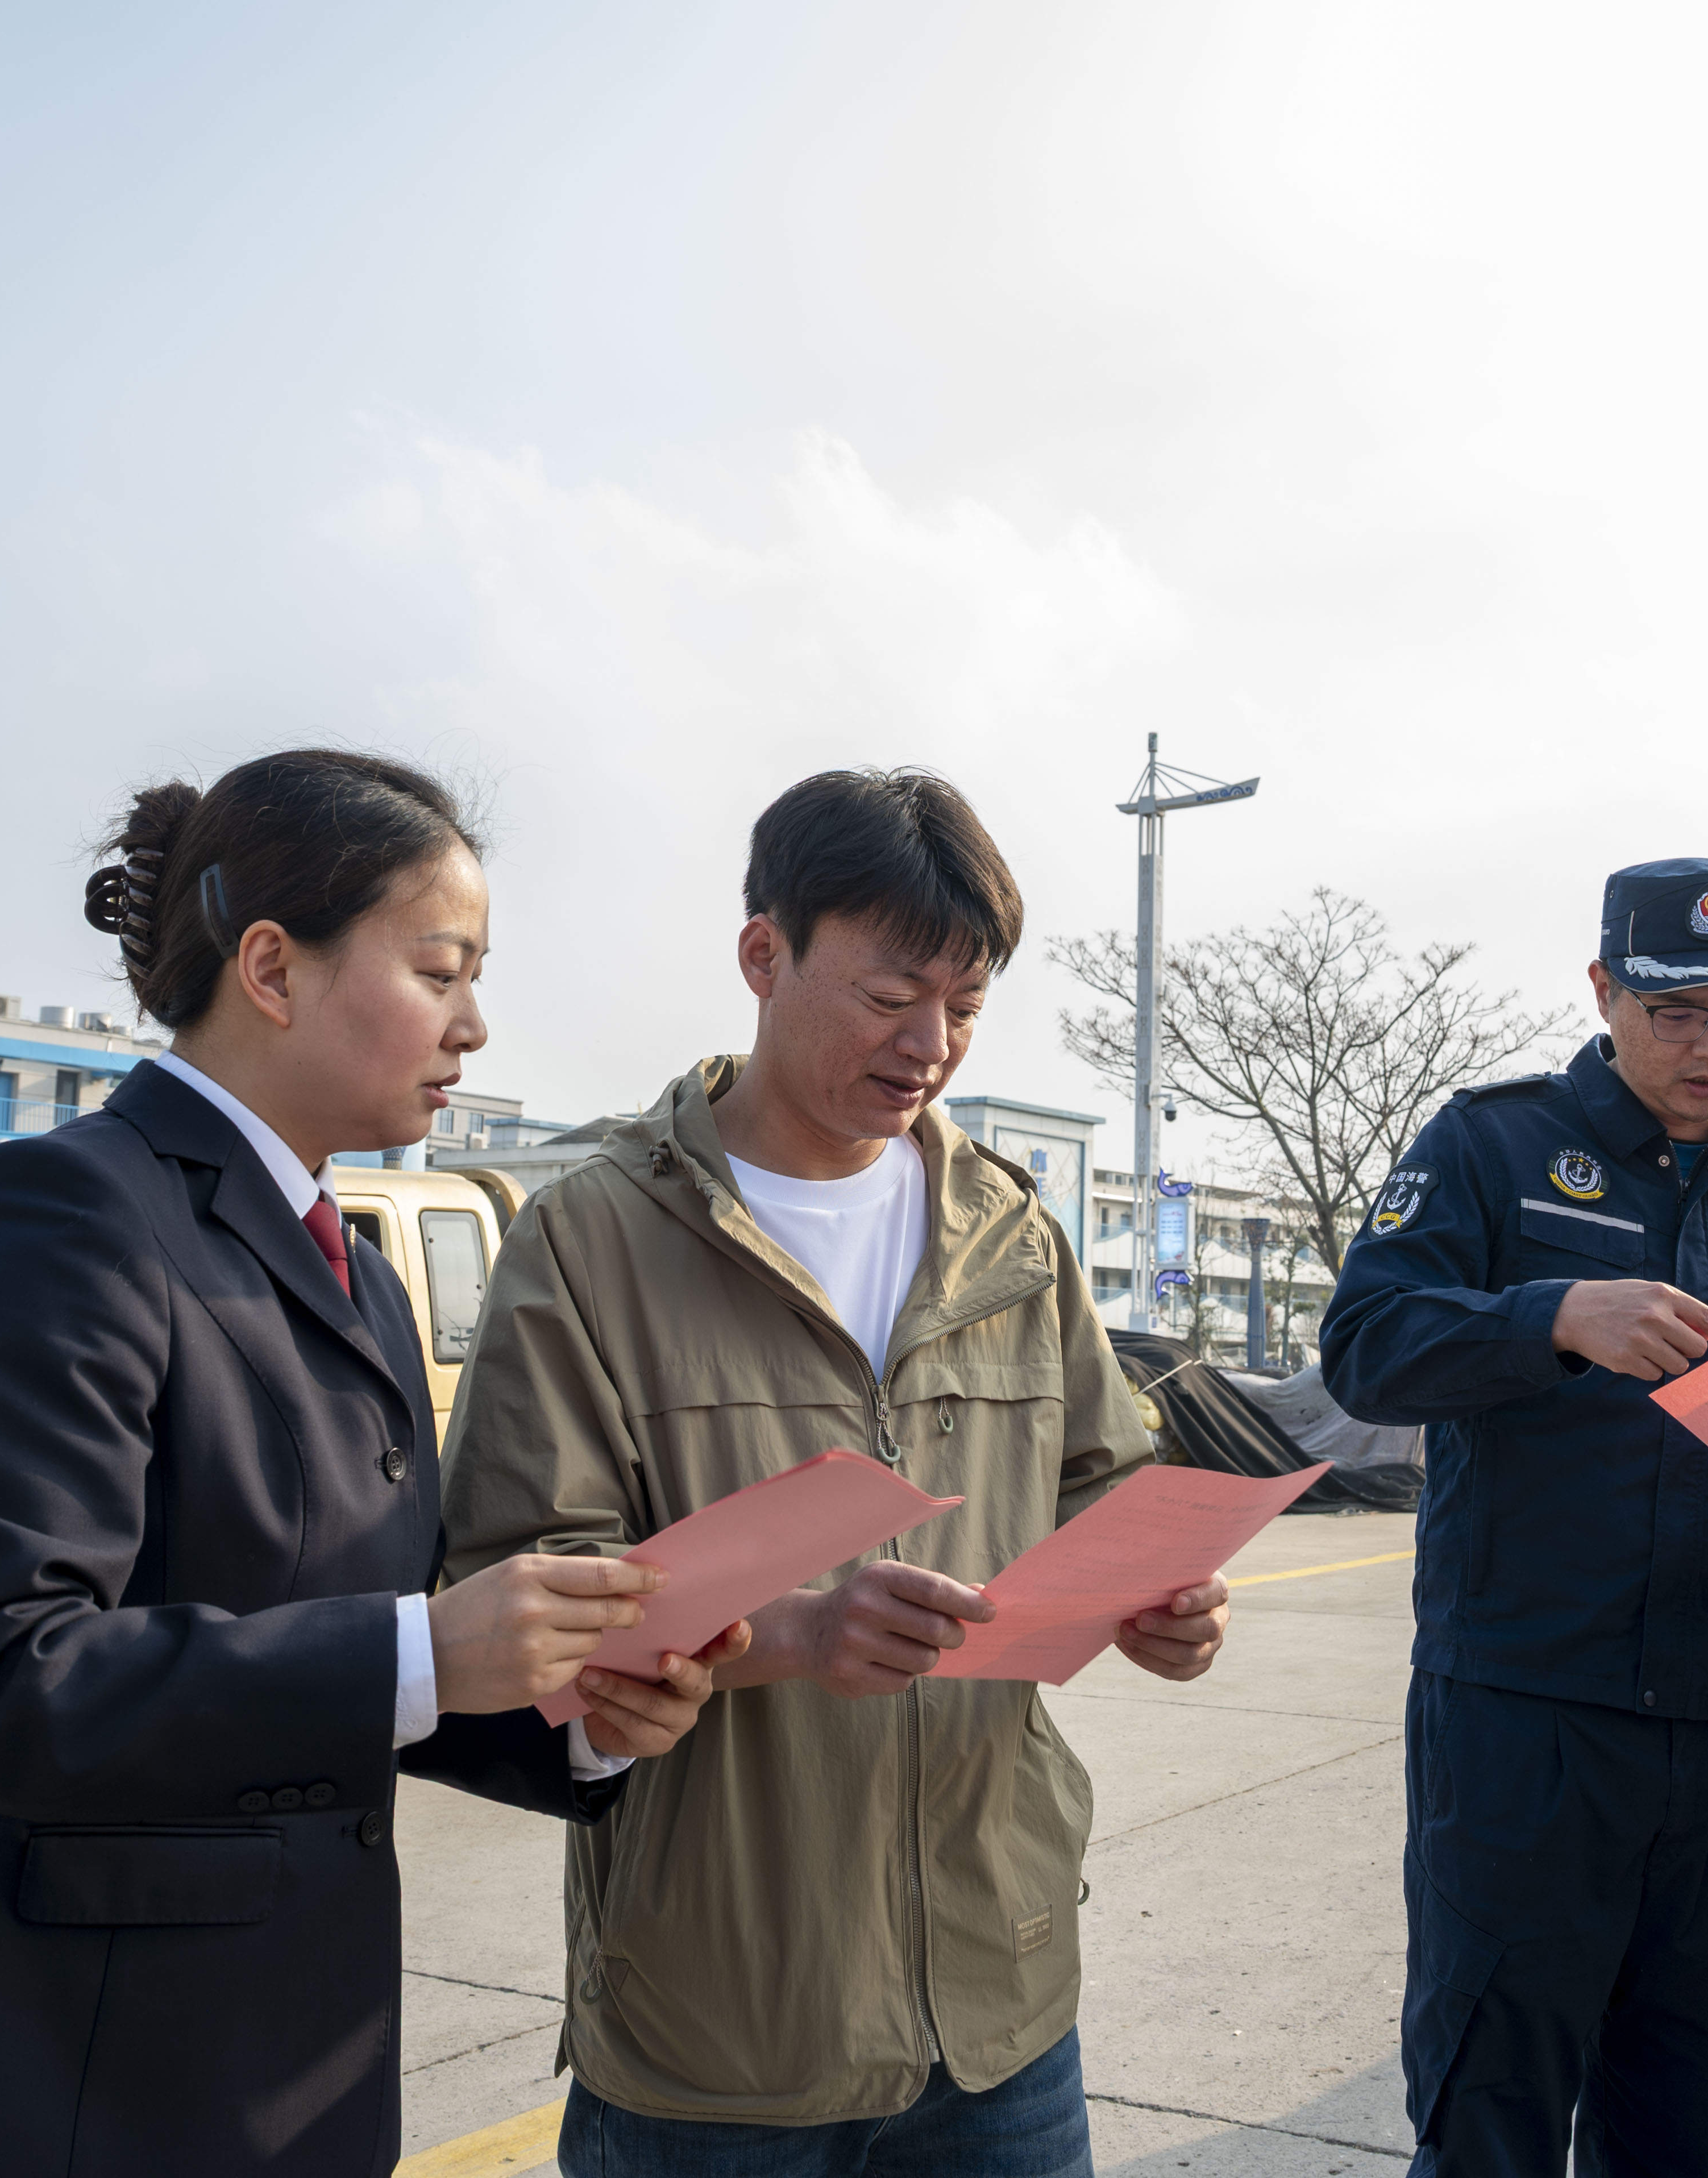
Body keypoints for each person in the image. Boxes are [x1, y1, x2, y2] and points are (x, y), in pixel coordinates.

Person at [0, 750, 740, 2178]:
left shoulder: (361, 1280)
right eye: (442, 967)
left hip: (276, 2075)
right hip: (49, 2078)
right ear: (271, 965)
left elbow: (347, 1649)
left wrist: (570, 1708)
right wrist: (420, 1652)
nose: (474, 1023)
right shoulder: (59, 1215)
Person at [440, 766, 1230, 2178]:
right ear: (764, 952)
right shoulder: (590, 1244)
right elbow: (513, 1609)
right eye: (890, 993)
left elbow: (1104, 1482)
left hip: (999, 2008)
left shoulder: (1011, 1233)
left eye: (968, 1004)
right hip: (723, 2023)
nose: (931, 1041)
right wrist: (794, 1631)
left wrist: (1160, 1596)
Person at [1319, 857, 1708, 2178]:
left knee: (1685, 2115)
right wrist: (1551, 1315)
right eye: (1680, 1010)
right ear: (1605, 990)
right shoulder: (1490, 1146)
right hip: (1522, 1721)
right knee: (1492, 2108)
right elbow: (1365, 1345)